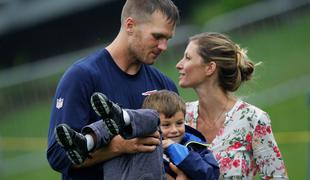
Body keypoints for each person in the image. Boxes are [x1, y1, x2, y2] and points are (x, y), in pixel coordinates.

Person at [46, 0, 180, 179]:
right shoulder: (82, 76)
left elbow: (179, 148)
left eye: (167, 39)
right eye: (157, 37)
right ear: (130, 25)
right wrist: (118, 147)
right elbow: (57, 155)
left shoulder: (164, 85)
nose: (164, 46)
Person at [176, 32, 288, 179]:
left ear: (210, 68)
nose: (179, 65)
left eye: (188, 58)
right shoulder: (180, 117)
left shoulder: (252, 119)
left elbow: (276, 176)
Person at [55, 90, 220, 180]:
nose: (174, 130)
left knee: (148, 119)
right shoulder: (140, 141)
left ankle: (124, 117)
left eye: (179, 123)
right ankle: (87, 142)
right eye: (166, 125)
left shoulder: (195, 146)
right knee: (117, 130)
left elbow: (210, 175)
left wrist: (176, 150)